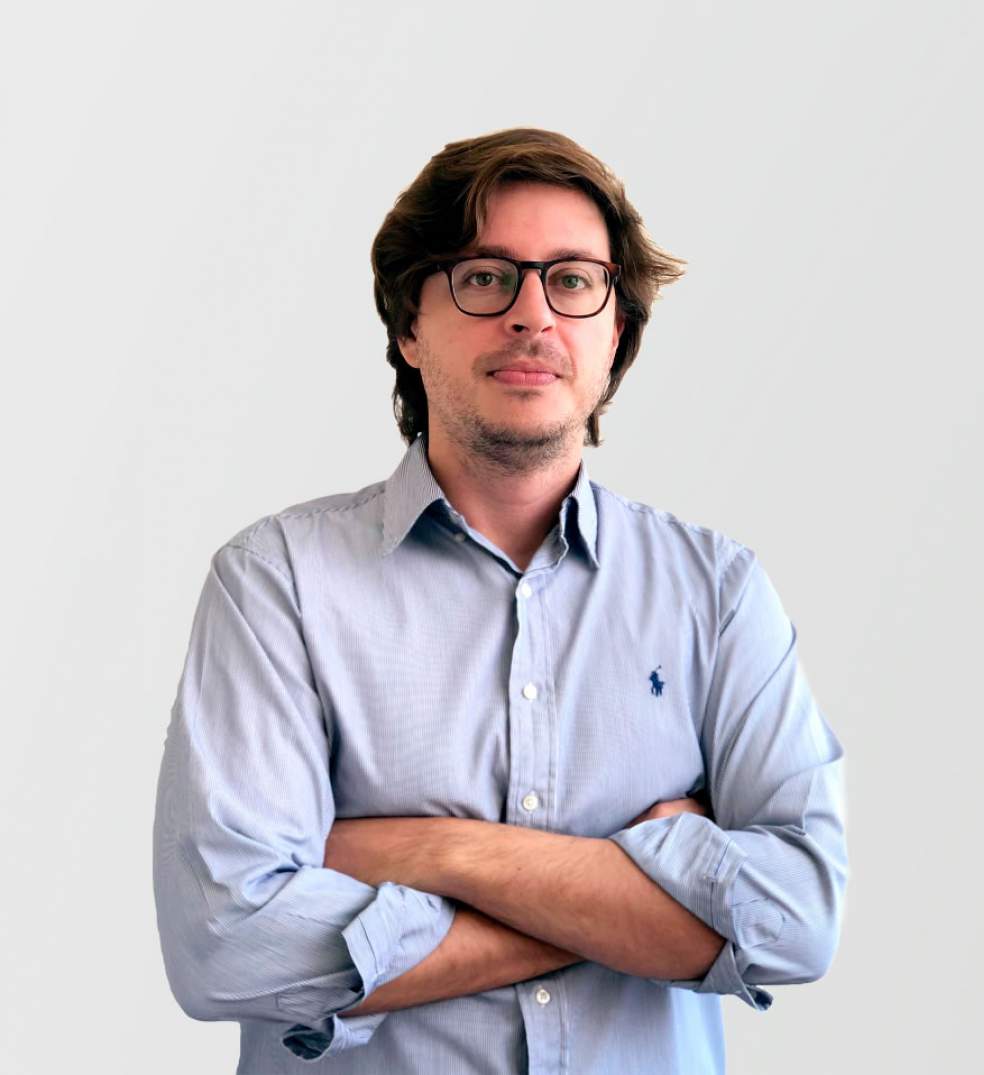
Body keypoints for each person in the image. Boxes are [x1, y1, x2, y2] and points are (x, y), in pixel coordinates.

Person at [153, 127, 848, 1074]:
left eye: (572, 280)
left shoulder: (717, 593)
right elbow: (225, 945)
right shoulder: (278, 583)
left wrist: (435, 852)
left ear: (616, 332)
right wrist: (632, 896)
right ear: (409, 324)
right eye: (485, 277)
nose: (532, 314)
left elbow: (800, 918)